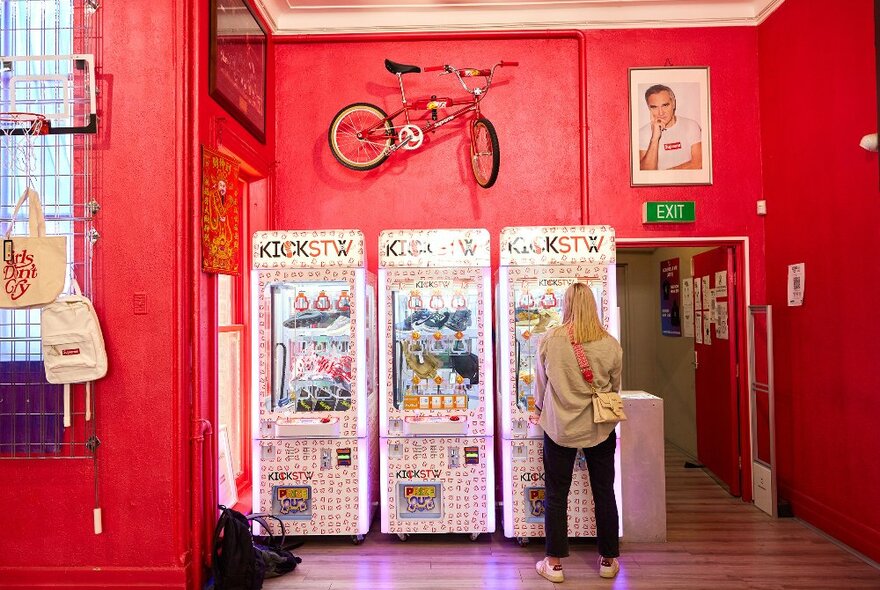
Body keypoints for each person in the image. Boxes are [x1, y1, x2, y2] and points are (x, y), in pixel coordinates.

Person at [530, 283, 623, 583]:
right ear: (593, 305)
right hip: (599, 427)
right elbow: (614, 388)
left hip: (560, 427)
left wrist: (539, 408)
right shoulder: (610, 343)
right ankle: (608, 559)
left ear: (566, 304)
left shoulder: (550, 339)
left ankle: (554, 563)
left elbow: (541, 385)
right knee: (604, 491)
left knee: (556, 494)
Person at [639, 84, 703, 171]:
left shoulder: (691, 125)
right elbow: (646, 173)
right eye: (654, 107)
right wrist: (654, 139)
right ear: (649, 108)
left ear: (673, 104)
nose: (661, 113)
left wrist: (668, 175)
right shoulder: (643, 133)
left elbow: (698, 163)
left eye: (665, 105)